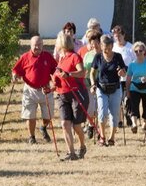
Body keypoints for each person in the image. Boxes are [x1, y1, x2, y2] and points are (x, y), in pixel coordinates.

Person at [11, 36, 58, 145]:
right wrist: (15, 76)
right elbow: (16, 70)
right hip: (30, 90)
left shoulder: (47, 56)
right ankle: (31, 137)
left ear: (43, 45)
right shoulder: (25, 57)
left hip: (45, 90)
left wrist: (55, 81)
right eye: (35, 45)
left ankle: (43, 127)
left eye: (39, 45)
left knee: (48, 116)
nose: (37, 47)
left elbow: (55, 70)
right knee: (30, 115)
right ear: (30, 46)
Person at [53, 30, 89, 161]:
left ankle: (82, 146)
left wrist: (69, 74)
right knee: (65, 123)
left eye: (56, 42)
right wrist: (51, 87)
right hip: (62, 95)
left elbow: (82, 72)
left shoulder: (74, 56)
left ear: (61, 43)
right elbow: (58, 79)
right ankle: (71, 153)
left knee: (76, 125)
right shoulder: (60, 59)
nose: (55, 45)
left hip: (76, 93)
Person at [90, 35, 127, 146]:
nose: (106, 50)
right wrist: (92, 84)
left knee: (115, 115)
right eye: (104, 48)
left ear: (112, 45)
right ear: (101, 46)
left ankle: (111, 138)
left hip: (115, 88)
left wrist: (122, 72)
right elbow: (92, 73)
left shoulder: (118, 57)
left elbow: (124, 71)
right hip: (101, 88)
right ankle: (102, 136)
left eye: (109, 47)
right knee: (102, 113)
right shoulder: (98, 57)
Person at [124, 41, 146, 134]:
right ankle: (134, 124)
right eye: (136, 51)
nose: (138, 53)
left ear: (144, 51)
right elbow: (128, 79)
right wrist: (127, 92)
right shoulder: (132, 64)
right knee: (133, 106)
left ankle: (144, 125)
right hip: (134, 87)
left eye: (140, 50)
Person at [111, 25, 135, 128]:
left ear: (124, 35)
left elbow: (134, 62)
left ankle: (127, 113)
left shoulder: (130, 47)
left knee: (127, 99)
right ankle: (120, 120)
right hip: (116, 78)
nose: (117, 38)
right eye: (115, 36)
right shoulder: (112, 47)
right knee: (118, 99)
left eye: (119, 35)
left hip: (128, 77)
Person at [80, 29, 101, 138]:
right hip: (88, 83)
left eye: (96, 43)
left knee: (99, 108)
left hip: (101, 83)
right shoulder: (87, 55)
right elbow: (83, 68)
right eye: (92, 43)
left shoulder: (103, 55)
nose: (94, 46)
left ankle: (97, 129)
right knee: (90, 108)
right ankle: (90, 125)